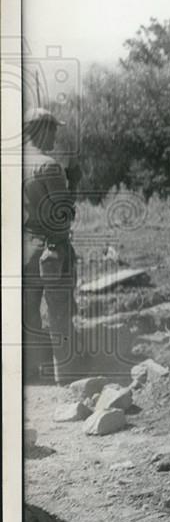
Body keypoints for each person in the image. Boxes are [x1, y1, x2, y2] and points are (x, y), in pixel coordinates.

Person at [23, 108, 77, 384]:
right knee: (59, 312)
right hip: (51, 249)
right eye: (53, 128)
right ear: (41, 129)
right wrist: (74, 184)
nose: (56, 133)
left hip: (24, 249)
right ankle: (64, 376)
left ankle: (31, 374)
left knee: (28, 313)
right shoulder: (49, 165)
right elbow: (63, 213)